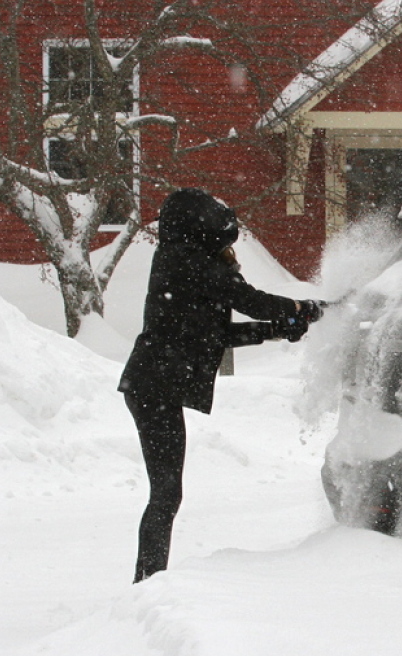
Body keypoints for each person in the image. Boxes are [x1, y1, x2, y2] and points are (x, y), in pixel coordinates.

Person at [118, 188, 322, 583]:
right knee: (166, 492)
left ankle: (147, 579)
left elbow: (216, 333)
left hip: (153, 385)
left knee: (166, 493)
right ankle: (146, 582)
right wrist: (301, 309)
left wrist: (276, 330)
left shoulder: (190, 263)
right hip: (153, 387)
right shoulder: (184, 260)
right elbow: (250, 300)